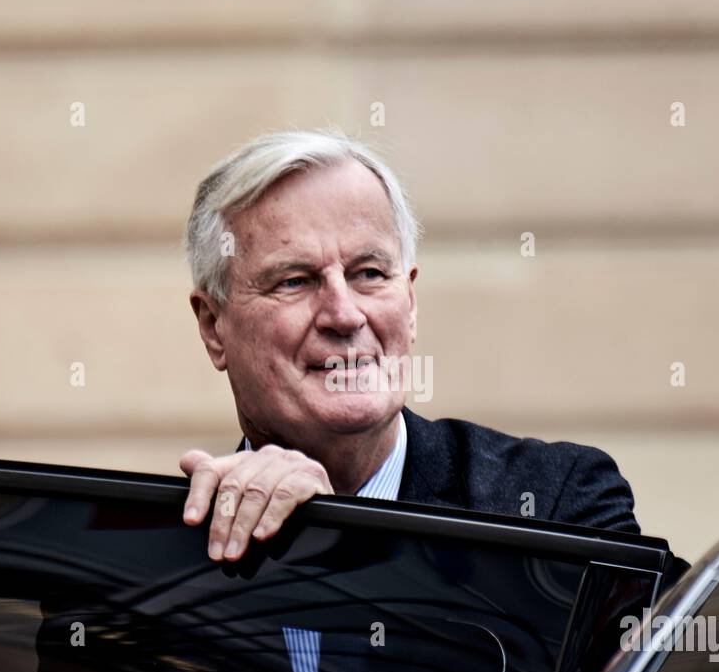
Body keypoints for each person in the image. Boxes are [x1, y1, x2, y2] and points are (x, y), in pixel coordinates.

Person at [181, 127, 640, 558]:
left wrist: (345, 543)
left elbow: (684, 639)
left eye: (370, 274)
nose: (344, 315)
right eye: (294, 281)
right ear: (212, 327)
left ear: (411, 301)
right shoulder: (156, 561)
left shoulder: (555, 506)